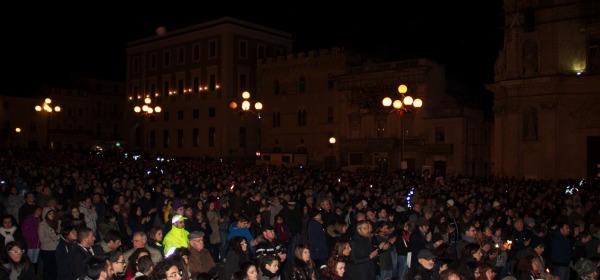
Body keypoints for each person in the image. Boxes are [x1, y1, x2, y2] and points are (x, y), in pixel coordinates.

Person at [38, 206, 60, 280]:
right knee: (48, 269)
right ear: (45, 214)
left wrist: (58, 236)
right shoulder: (42, 225)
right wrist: (54, 234)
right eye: (50, 213)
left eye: (53, 213)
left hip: (56, 249)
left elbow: (59, 234)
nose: (52, 215)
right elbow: (42, 239)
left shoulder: (56, 223)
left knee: (55, 268)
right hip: (47, 250)